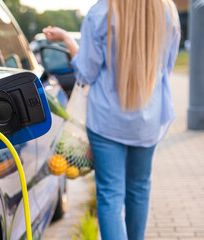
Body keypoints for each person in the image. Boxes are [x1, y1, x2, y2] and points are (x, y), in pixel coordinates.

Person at [43, 0, 180, 239]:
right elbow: (167, 66)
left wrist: (67, 39)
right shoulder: (167, 10)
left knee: (110, 195)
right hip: (148, 119)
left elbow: (86, 73)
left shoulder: (101, 12)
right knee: (139, 188)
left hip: (107, 120)